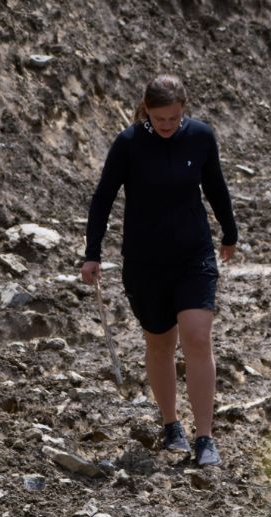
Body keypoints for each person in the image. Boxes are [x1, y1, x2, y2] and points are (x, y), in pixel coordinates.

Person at [81, 75, 238, 467]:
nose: (167, 126)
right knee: (160, 343)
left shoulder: (200, 137)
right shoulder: (129, 144)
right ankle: (172, 424)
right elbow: (103, 197)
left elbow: (215, 186)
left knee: (198, 338)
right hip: (145, 261)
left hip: (194, 255)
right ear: (146, 111)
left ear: (184, 109)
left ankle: (205, 436)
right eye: (159, 119)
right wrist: (92, 252)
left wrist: (229, 232)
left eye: (173, 118)